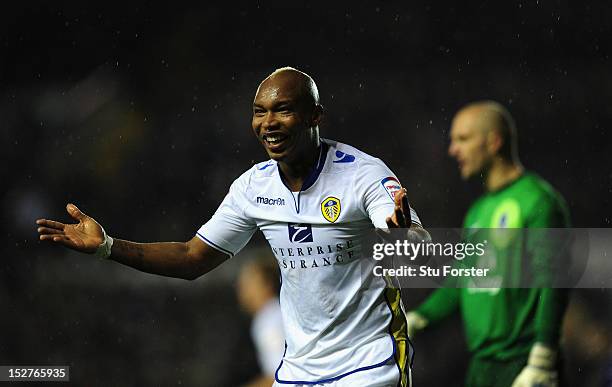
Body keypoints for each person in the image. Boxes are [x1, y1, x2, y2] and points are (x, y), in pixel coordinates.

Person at [36, 67, 429, 387]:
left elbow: (415, 239)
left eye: (283, 110)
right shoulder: (252, 188)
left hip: (369, 366)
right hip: (297, 374)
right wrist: (108, 246)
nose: (268, 122)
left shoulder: (361, 175)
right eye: (260, 111)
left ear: (315, 116)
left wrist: (402, 239)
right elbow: (192, 257)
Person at [406, 101, 570, 387]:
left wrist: (543, 357)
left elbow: (554, 281)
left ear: (494, 142)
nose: (453, 150)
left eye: (463, 139)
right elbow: (463, 278)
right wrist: (420, 318)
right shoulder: (478, 211)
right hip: (482, 366)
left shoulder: (539, 201)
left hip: (524, 365)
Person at [237, 255, 285, 387]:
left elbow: (280, 376)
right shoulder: (278, 311)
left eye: (249, 283)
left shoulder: (269, 319)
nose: (242, 290)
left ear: (267, 284)